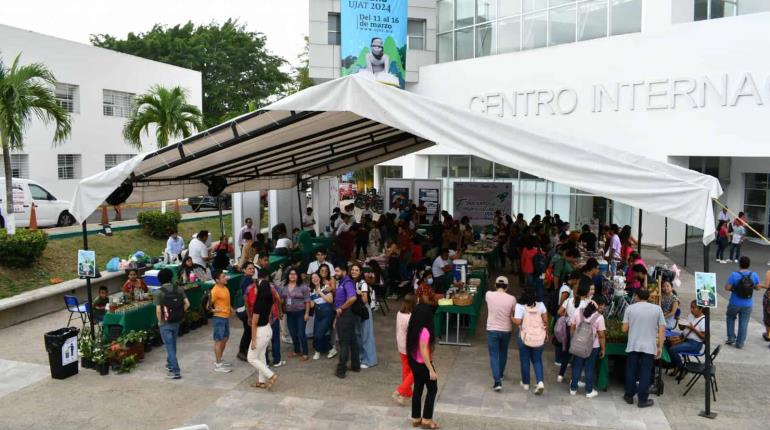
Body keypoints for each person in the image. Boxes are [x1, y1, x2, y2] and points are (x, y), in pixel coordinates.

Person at [622, 289, 665, 408]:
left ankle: (629, 396)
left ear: (637, 297)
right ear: (648, 297)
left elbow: (624, 329)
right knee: (645, 373)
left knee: (631, 370)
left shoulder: (630, 308)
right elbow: (662, 330)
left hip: (633, 345)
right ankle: (642, 400)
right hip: (649, 346)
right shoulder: (657, 309)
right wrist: (660, 347)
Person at [407, 303, 440, 429]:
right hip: (423, 364)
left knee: (418, 388)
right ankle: (427, 419)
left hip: (414, 361)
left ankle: (416, 418)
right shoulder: (425, 330)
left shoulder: (413, 327)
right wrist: (431, 369)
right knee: (432, 389)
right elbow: (423, 350)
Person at [155, 268, 189, 379]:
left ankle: (175, 371)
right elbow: (187, 304)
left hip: (165, 323)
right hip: (176, 321)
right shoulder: (179, 289)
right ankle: (170, 365)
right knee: (173, 344)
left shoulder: (159, 292)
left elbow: (159, 310)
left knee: (169, 346)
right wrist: (181, 313)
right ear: (171, 278)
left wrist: (160, 322)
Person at [557, 278, 593, 382]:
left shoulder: (568, 301)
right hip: (581, 332)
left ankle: (560, 375)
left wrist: (567, 315)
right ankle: (574, 380)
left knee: (567, 354)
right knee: (578, 356)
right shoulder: (587, 304)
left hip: (569, 329)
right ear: (586, 293)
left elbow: (559, 312)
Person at [569, 297, 606, 398]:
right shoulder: (599, 317)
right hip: (593, 347)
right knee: (589, 368)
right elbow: (601, 335)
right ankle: (589, 391)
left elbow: (572, 327)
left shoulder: (578, 312)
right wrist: (603, 349)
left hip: (578, 344)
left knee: (577, 366)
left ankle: (573, 388)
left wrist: (574, 340)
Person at [514, 289, 548, 395]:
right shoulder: (541, 305)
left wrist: (511, 317)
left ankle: (526, 384)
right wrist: (546, 333)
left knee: (525, 360)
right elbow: (545, 321)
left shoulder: (520, 306)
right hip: (538, 337)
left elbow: (518, 321)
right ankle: (540, 382)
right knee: (537, 360)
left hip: (524, 337)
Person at [486, 276, 517, 392]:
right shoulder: (512, 299)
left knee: (494, 355)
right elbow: (513, 313)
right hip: (506, 330)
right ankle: (501, 374)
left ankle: (497, 381)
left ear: (495, 285)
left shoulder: (488, 295)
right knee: (503, 352)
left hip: (492, 329)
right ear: (507, 287)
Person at [248, 279, 279, 389]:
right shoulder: (269, 300)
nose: (254, 289)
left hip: (261, 332)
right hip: (267, 329)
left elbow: (254, 323)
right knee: (261, 356)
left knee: (251, 358)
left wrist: (254, 340)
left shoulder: (258, 304)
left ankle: (271, 375)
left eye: (256, 287)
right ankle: (261, 382)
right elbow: (269, 316)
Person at [725, 256, 761, 348]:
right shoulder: (754, 275)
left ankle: (731, 337)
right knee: (744, 322)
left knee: (730, 318)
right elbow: (757, 288)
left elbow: (727, 288)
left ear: (739, 264)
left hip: (734, 302)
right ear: (749, 264)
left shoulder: (734, 275)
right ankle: (740, 343)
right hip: (747, 304)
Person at [334, 264, 360, 378]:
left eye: (337, 271)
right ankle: (355, 365)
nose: (336, 274)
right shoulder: (342, 282)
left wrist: (341, 308)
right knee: (352, 341)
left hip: (345, 315)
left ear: (344, 271)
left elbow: (353, 297)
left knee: (343, 343)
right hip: (346, 316)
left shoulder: (347, 282)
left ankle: (341, 370)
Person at [280, 268, 311, 360]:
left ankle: (305, 353)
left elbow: (308, 301)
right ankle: (297, 351)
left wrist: (306, 313)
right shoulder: (284, 286)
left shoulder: (303, 286)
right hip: (289, 314)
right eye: (290, 274)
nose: (292, 276)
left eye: (295, 274)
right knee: (293, 333)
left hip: (300, 313)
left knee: (301, 333)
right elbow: (282, 300)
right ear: (288, 276)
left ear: (298, 276)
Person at [667, 300, 705, 375]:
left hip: (695, 344)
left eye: (694, 308)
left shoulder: (704, 320)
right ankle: (676, 365)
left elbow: (703, 337)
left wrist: (693, 328)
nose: (691, 309)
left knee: (672, 349)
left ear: (700, 309)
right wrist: (681, 324)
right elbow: (683, 329)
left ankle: (681, 368)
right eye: (691, 307)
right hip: (684, 338)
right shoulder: (691, 315)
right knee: (667, 343)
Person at [352, 263, 378, 368]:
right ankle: (361, 357)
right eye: (353, 269)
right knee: (358, 335)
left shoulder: (363, 283)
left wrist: (359, 293)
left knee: (366, 335)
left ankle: (369, 360)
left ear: (360, 272)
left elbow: (365, 300)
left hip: (363, 311)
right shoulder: (353, 282)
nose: (354, 271)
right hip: (356, 311)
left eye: (356, 270)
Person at [393, 293, 416, 406]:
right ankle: (401, 390)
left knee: (406, 369)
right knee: (416, 370)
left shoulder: (399, 313)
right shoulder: (410, 317)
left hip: (401, 345)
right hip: (410, 347)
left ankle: (406, 393)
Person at [211, 270, 234, 373]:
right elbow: (207, 305)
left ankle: (220, 358)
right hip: (219, 318)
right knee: (218, 340)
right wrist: (215, 310)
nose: (226, 278)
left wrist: (231, 309)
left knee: (225, 338)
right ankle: (218, 364)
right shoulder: (215, 291)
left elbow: (226, 302)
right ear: (217, 280)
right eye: (223, 277)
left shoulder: (225, 288)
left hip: (225, 317)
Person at [309, 272, 335, 360]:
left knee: (319, 335)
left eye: (316, 277)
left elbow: (330, 300)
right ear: (311, 280)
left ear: (320, 278)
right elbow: (312, 305)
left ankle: (331, 349)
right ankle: (318, 351)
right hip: (318, 314)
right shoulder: (311, 291)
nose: (315, 279)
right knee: (316, 334)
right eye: (313, 278)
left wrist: (320, 292)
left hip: (327, 313)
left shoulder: (326, 287)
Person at [236, 262, 257, 362]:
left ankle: (246, 350)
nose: (252, 270)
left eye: (253, 268)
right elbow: (247, 298)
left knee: (248, 330)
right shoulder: (247, 281)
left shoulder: (248, 279)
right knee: (248, 331)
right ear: (244, 270)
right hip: (247, 311)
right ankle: (241, 351)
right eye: (249, 269)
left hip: (247, 310)